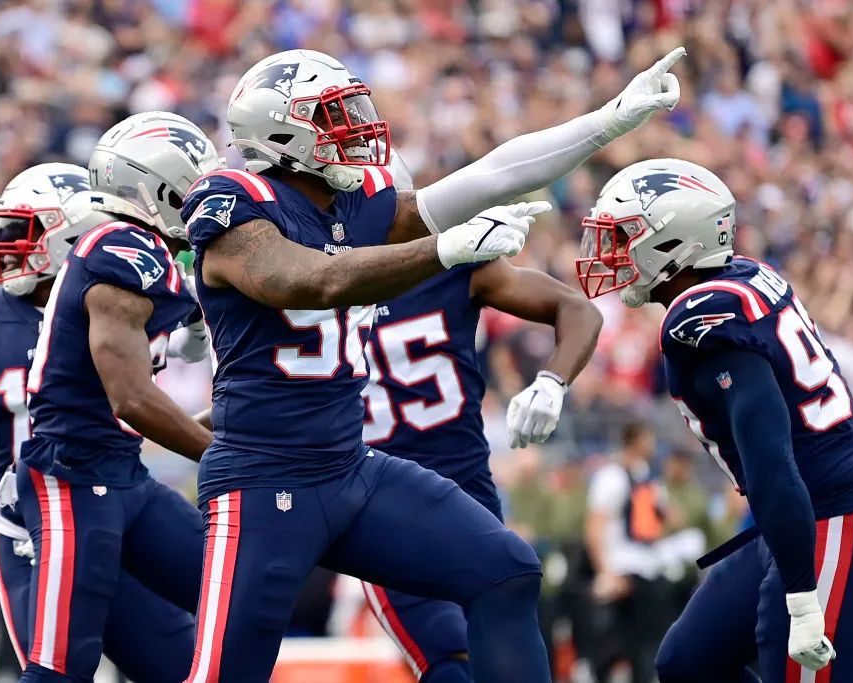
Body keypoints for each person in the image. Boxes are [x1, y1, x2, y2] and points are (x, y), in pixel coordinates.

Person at [179, 46, 685, 683]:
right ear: (281, 135)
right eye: (333, 116)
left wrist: (608, 120)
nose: (357, 127)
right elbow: (312, 281)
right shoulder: (233, 204)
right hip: (263, 480)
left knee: (507, 571)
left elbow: (493, 175)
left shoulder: (354, 206)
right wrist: (444, 249)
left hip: (350, 467)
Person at [575, 158, 853, 682]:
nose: (613, 253)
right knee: (688, 663)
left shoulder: (702, 322)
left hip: (833, 519)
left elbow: (770, 459)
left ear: (673, 245)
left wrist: (802, 599)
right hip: (801, 515)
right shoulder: (747, 276)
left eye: (625, 237)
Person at [356, 159, 602, 681]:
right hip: (380, 507)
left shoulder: (454, 266)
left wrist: (552, 380)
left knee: (490, 649)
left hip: (460, 491)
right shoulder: (312, 284)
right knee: (452, 658)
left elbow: (577, 309)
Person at [0, 163, 205, 683]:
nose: (8, 248)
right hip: (34, 515)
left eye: (25, 233)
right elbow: (134, 399)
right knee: (57, 668)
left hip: (121, 491)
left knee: (192, 659)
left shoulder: (129, 295)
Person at [15, 113, 222, 683]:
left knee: (235, 605)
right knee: (62, 669)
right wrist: (222, 454)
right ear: (156, 187)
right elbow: (130, 397)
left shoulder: (142, 248)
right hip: (72, 479)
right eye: (194, 186)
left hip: (123, 475)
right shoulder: (119, 246)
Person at [584, 423, 702, 683]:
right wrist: (605, 572)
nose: (652, 444)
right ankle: (596, 670)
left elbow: (670, 517)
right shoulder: (612, 476)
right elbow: (594, 527)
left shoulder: (646, 475)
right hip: (623, 563)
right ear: (634, 439)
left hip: (647, 562)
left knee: (647, 634)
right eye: (647, 438)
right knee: (626, 635)